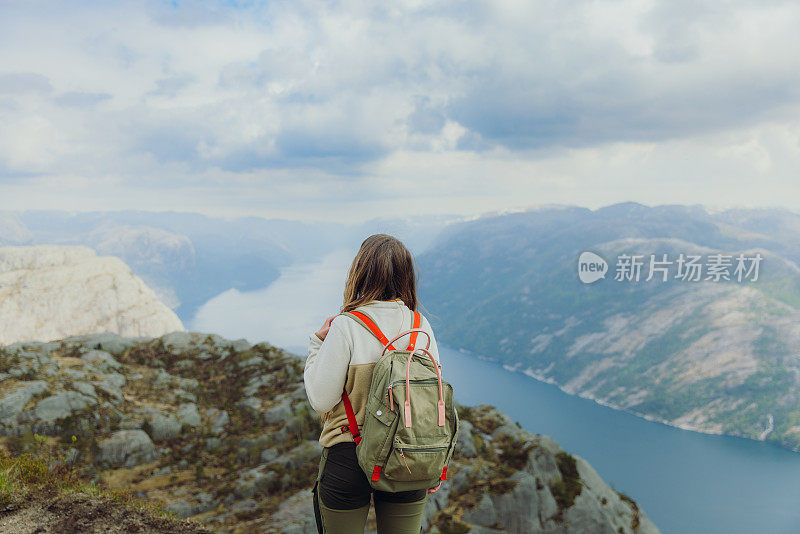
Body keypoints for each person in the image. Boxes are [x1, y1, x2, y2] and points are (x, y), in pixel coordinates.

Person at [304, 234, 441, 534]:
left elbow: (321, 400)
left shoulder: (347, 325)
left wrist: (317, 343)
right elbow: (432, 402)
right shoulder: (421, 326)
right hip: (407, 455)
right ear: (406, 275)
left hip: (348, 456)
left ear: (360, 272)